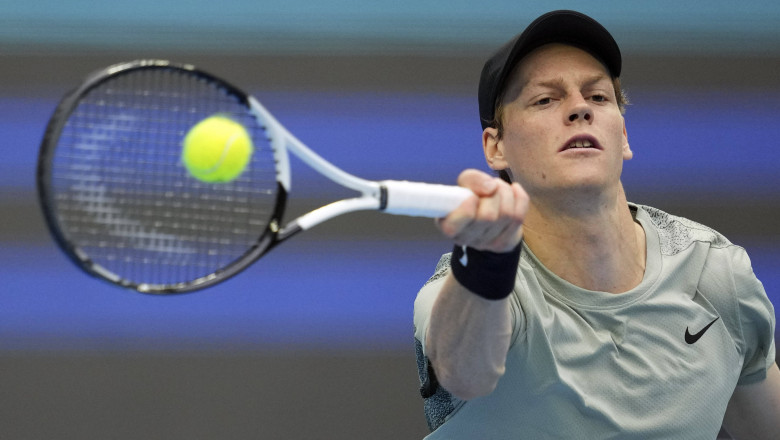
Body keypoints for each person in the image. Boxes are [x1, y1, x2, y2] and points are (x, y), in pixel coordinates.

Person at [413, 10, 780, 439]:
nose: (580, 109)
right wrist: (486, 264)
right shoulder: (465, 288)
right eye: (545, 99)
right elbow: (466, 375)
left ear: (622, 136)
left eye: (599, 97)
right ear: (496, 147)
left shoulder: (715, 276)